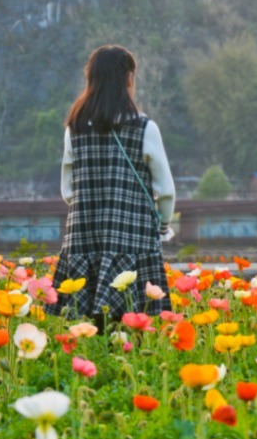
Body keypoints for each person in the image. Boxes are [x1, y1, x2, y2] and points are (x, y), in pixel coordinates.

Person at [49, 45, 175, 324]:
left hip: (84, 240)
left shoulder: (75, 127)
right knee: (135, 327)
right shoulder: (144, 128)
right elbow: (166, 192)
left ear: (91, 79)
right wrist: (163, 225)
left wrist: (92, 209)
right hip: (135, 242)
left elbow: (68, 191)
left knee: (90, 329)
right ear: (128, 78)